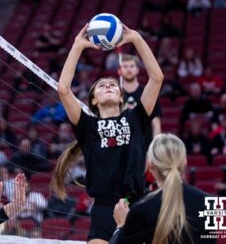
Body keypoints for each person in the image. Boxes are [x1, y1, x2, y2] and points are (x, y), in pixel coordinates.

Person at [51, 23, 164, 243]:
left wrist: (136, 39)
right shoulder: (87, 126)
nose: (109, 86)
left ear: (122, 97)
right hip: (103, 208)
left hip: (137, 203)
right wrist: (77, 46)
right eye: (102, 86)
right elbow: (63, 89)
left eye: (113, 84)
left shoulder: (136, 117)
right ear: (93, 100)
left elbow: (157, 78)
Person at [109, 134, 216, 244]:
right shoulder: (207, 202)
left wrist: (121, 225)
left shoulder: (142, 208)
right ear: (184, 162)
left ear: (151, 167)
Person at [118, 54, 162, 144]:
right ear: (120, 71)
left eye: (132, 66)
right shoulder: (115, 93)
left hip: (144, 144)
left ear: (137, 70)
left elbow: (156, 122)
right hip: (121, 145)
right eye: (125, 66)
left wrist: (156, 147)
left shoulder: (148, 92)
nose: (129, 69)